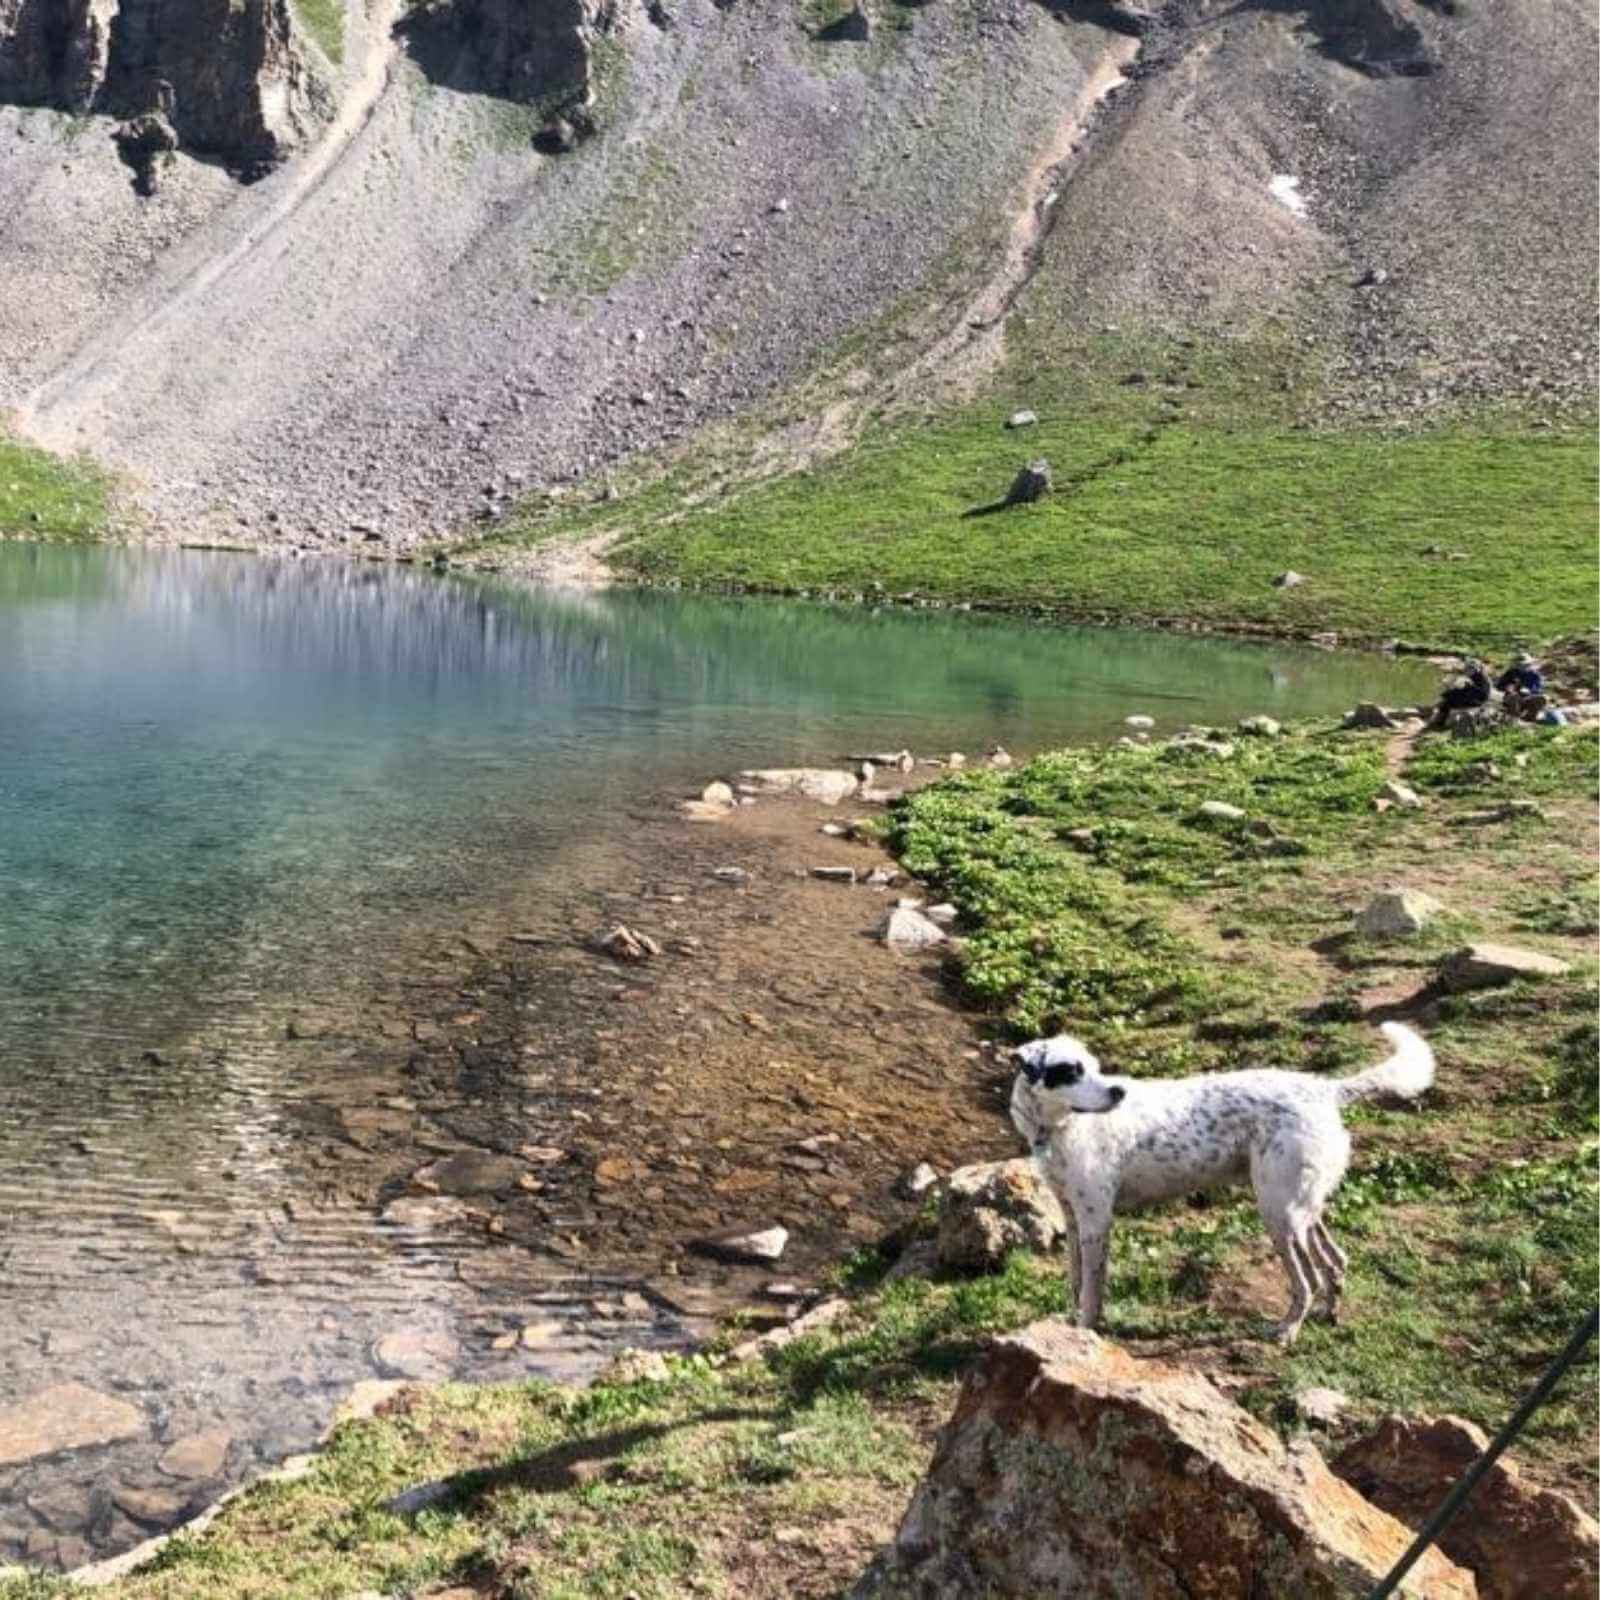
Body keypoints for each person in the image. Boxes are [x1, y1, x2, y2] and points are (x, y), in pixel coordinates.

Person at [1429, 658, 1491, 729]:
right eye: (1466, 668)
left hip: (1478, 700)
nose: (1466, 670)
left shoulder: (1479, 678)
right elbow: (1471, 689)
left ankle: (1439, 723)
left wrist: (1451, 692)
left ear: (1475, 669)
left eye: (1468, 668)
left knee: (1447, 702)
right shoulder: (1479, 676)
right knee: (1449, 697)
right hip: (1478, 697)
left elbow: (1475, 692)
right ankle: (1439, 719)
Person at [1496, 650, 1547, 720]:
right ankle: (1514, 718)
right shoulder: (1511, 673)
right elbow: (1499, 686)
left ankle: (1530, 718)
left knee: (1543, 698)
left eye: (1525, 665)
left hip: (1528, 698)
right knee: (1514, 697)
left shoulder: (1535, 676)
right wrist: (1506, 687)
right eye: (1520, 665)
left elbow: (1538, 690)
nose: (1522, 667)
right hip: (1512, 698)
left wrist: (1530, 691)